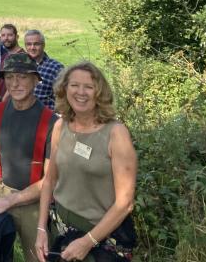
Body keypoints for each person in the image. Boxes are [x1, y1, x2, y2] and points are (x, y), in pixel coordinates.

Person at [35, 62, 137, 262]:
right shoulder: (60, 126)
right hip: (61, 230)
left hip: (102, 236)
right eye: (74, 85)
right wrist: (41, 228)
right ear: (65, 89)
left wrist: (87, 241)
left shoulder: (116, 134)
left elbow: (125, 204)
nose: (81, 92)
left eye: (89, 87)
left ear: (99, 93)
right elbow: (49, 181)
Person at [0, 53, 56, 262]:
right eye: (9, 77)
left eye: (22, 77)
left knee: (39, 258)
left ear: (36, 79)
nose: (15, 83)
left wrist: (6, 202)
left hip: (34, 203)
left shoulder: (51, 122)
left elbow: (50, 180)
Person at [24, 30, 64, 111]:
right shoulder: (20, 65)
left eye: (36, 44)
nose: (32, 48)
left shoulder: (56, 68)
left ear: (43, 45)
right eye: (29, 44)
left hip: (45, 118)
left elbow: (63, 98)